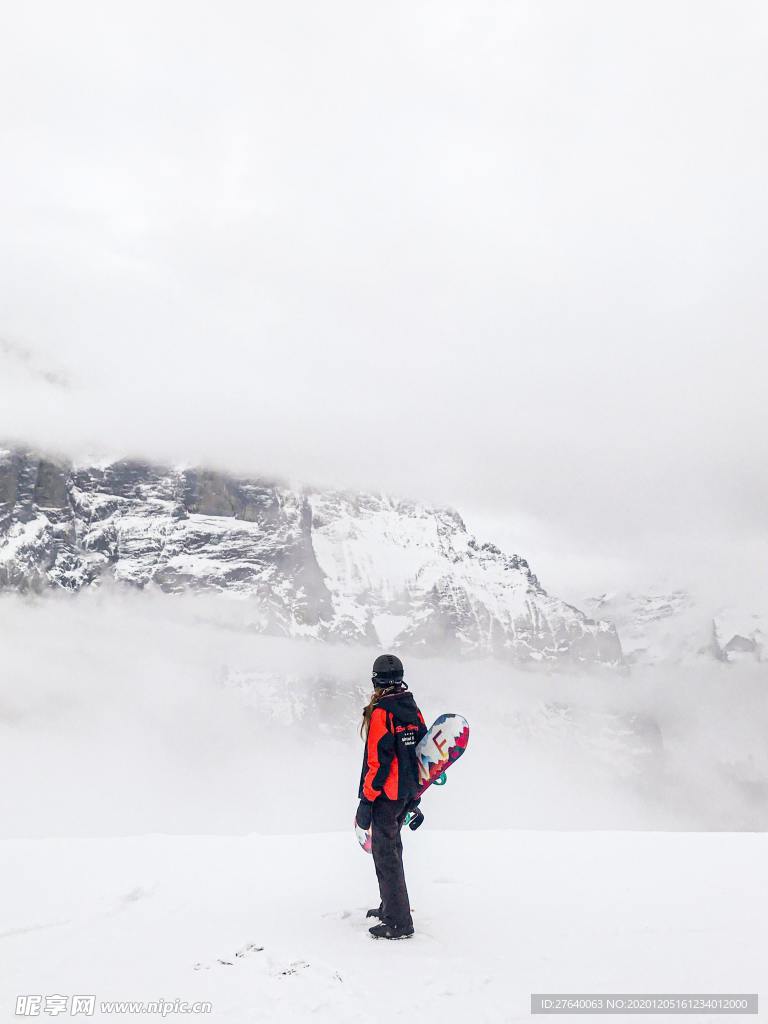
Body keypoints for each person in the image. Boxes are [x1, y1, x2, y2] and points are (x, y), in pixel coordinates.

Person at [356, 653, 428, 939]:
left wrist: (366, 801)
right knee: (392, 850)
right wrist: (415, 796)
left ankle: (398, 922)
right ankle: (391, 907)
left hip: (386, 796)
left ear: (376, 680)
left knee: (386, 855)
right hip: (406, 792)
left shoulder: (382, 713)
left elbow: (377, 762)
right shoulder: (411, 707)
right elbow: (422, 751)